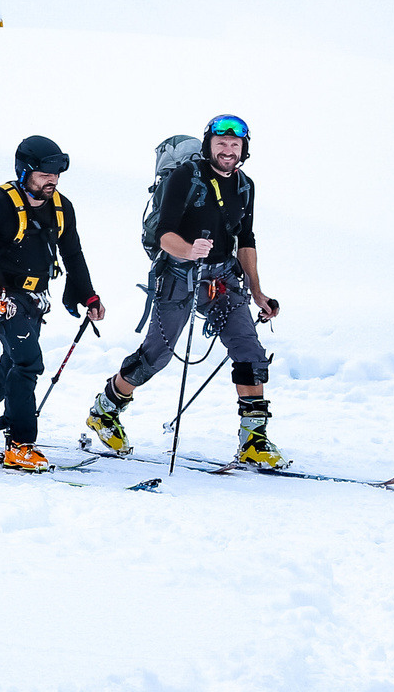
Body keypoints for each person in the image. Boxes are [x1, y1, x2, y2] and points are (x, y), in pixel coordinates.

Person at [85, 114, 287, 467]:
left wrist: (257, 292)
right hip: (179, 277)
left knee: (250, 353)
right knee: (155, 357)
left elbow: (247, 239)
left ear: (244, 149)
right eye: (221, 143)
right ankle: (105, 411)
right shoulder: (186, 178)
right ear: (209, 145)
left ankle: (254, 440)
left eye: (235, 145)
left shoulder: (245, 186)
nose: (228, 150)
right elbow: (164, 233)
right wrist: (188, 250)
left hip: (223, 280)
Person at [0, 135, 103, 470]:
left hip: (35, 297)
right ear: (25, 170)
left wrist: (88, 294)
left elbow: (72, 254)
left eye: (57, 172)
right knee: (29, 364)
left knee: (13, 365)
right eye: (45, 172)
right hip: (0, 295)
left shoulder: (62, 207)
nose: (53, 179)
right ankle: (19, 444)